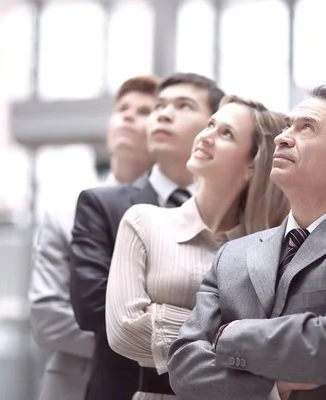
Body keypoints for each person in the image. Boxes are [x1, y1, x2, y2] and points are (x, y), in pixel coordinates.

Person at [167, 84, 326, 400]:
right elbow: (182, 367)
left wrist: (230, 337)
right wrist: (271, 386)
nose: (282, 137)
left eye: (306, 128)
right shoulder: (232, 254)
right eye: (289, 124)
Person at [105, 95, 289, 400]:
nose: (206, 136)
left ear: (251, 165)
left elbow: (275, 349)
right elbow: (124, 331)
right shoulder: (143, 222)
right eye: (210, 125)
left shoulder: (265, 254)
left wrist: (163, 317)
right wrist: (231, 334)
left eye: (226, 133)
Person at [69, 73, 225, 400]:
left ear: (215, 125)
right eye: (159, 106)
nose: (163, 114)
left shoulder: (235, 211)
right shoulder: (103, 205)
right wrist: (228, 334)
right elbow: (93, 306)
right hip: (125, 389)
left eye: (183, 106)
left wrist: (156, 312)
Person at [28, 75, 159, 400]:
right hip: (75, 385)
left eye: (144, 111)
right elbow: (48, 320)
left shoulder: (181, 210)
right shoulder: (65, 212)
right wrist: (144, 340)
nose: (129, 115)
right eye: (122, 108)